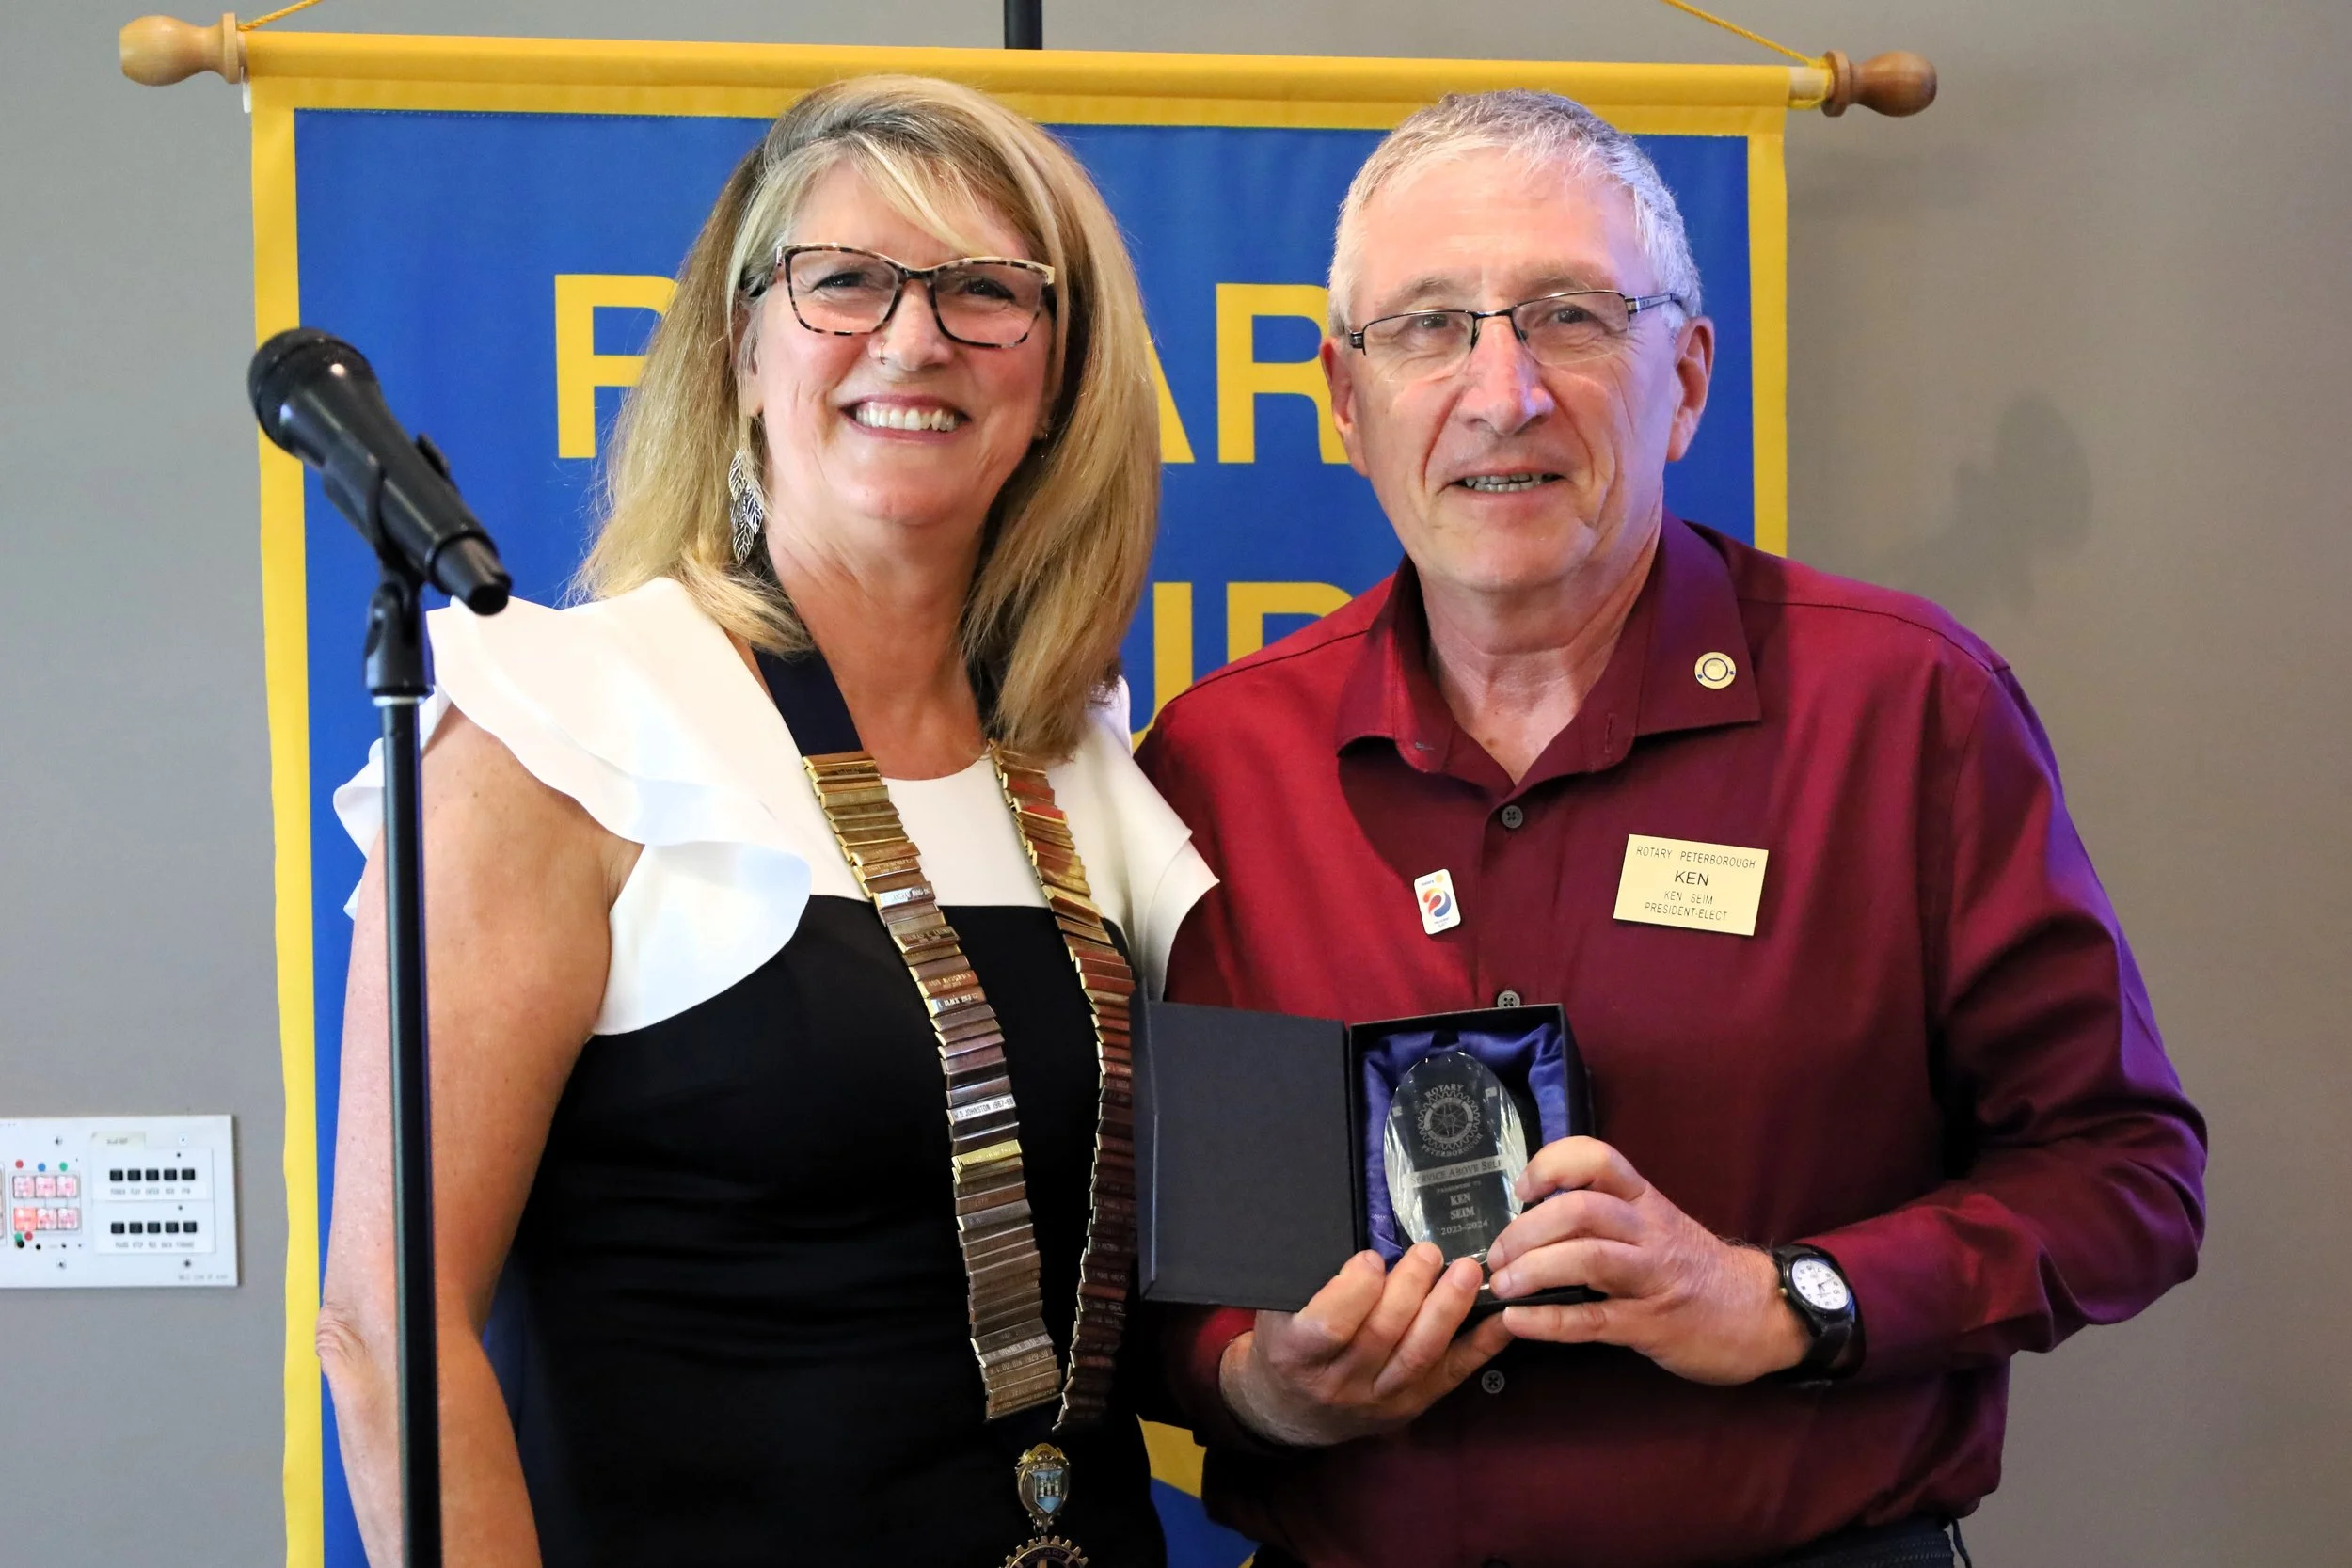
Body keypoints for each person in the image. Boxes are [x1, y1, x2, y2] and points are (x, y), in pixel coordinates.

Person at [1136, 90, 2205, 1568]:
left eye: (1568, 317)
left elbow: (2123, 1172)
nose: (1500, 391)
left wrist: (1788, 1297)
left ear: (1687, 376)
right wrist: (1262, 1386)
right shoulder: (1224, 762)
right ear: (1342, 397)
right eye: (1431, 327)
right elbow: (1197, 1269)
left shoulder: (1901, 709)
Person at [319, 76, 1213, 1568]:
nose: (912, 338)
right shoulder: (566, 724)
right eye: (845, 282)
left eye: (985, 291)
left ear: (1056, 374)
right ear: (742, 349)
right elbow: (385, 1332)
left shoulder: (1083, 757)